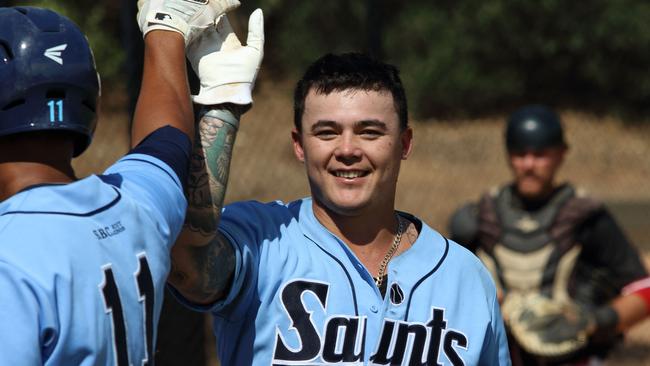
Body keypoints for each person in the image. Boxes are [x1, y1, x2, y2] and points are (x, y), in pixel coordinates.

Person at [165, 10, 512, 364]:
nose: (347, 150)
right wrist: (223, 108)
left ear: (404, 144)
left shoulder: (464, 278)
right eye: (327, 132)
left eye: (369, 131)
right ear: (299, 145)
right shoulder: (262, 239)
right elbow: (187, 266)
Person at [0, 1, 238, 364]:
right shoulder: (134, 208)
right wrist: (167, 30)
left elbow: (167, 140)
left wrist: (166, 32)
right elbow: (167, 142)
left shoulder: (9, 256)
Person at [449, 105, 650, 365]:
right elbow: (445, 288)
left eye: (540, 155)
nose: (529, 164)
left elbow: (644, 290)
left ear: (561, 155)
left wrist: (592, 321)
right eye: (520, 154)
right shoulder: (480, 217)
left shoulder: (586, 217)